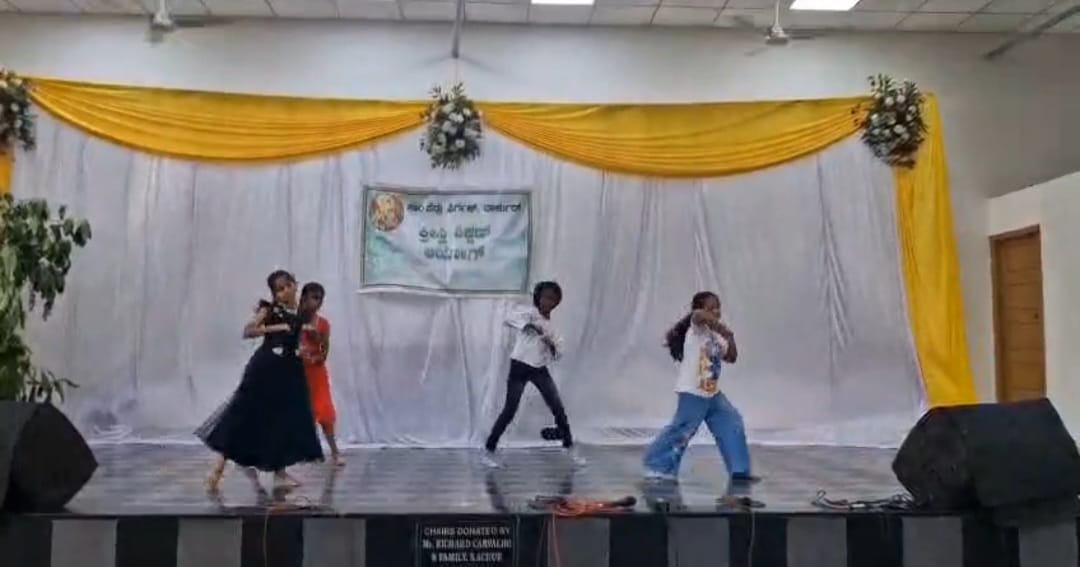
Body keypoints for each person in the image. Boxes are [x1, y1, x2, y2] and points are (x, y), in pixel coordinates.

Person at [198, 270, 324, 493]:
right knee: (244, 416)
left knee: (285, 420)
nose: (286, 291)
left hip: (290, 372)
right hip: (265, 369)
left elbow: (300, 334)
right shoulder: (270, 310)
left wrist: (304, 340)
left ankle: (280, 472)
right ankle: (217, 471)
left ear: (295, 285)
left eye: (288, 285)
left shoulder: (300, 312)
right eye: (280, 289)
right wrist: (275, 327)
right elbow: (249, 331)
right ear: (274, 294)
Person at [642, 291, 758, 483]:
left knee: (731, 423)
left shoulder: (716, 337)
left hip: (712, 394)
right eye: (711, 308)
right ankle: (657, 466)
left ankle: (739, 471)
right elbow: (698, 315)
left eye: (718, 307)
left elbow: (732, 357)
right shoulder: (697, 329)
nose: (716, 311)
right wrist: (721, 327)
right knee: (682, 429)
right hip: (693, 392)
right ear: (700, 309)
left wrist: (729, 336)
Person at [482, 281, 585, 468]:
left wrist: (550, 343)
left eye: (552, 299)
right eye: (545, 297)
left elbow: (559, 353)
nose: (547, 302)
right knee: (509, 410)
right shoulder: (530, 314)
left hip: (539, 370)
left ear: (556, 303)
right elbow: (508, 319)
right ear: (538, 298)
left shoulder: (553, 328)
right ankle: (489, 450)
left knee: (557, 408)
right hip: (519, 367)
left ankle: (569, 447)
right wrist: (528, 325)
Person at [298, 282, 344, 468]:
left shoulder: (322, 324)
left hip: (316, 374)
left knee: (325, 413)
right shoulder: (293, 320)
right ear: (303, 298)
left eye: (320, 299)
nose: (317, 302)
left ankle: (335, 452)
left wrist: (315, 339)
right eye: (314, 298)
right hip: (296, 374)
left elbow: (324, 353)